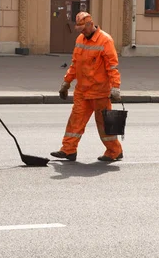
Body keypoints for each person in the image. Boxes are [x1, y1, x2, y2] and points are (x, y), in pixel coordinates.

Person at [51, 12, 123, 162]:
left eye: (83, 29)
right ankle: (68, 150)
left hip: (100, 92)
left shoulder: (105, 40)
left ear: (91, 24)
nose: (82, 32)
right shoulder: (80, 39)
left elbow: (112, 67)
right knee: (75, 120)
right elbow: (75, 64)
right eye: (79, 29)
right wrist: (66, 83)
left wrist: (115, 87)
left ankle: (114, 151)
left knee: (104, 124)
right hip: (82, 91)